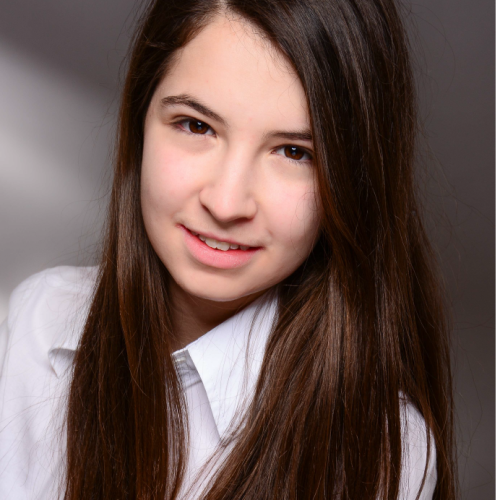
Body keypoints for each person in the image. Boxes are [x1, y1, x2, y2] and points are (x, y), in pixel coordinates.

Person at [0, 0, 456, 498]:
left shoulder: (384, 449)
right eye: (197, 125)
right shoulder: (38, 323)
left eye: (294, 152)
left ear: (354, 181)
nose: (225, 203)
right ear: (139, 120)